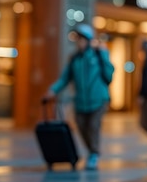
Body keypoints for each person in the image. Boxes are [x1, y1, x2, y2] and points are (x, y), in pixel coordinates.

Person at [45, 23, 115, 170]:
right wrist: (53, 90)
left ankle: (94, 153)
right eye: (78, 39)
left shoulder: (98, 55)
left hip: (98, 99)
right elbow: (65, 78)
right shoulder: (75, 58)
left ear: (88, 40)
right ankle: (91, 151)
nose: (79, 42)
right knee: (82, 127)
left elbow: (109, 74)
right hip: (80, 101)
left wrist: (104, 54)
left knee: (93, 127)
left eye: (82, 39)